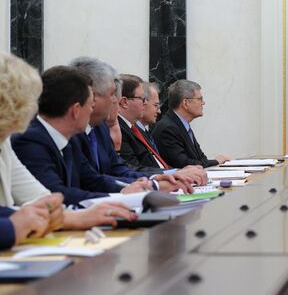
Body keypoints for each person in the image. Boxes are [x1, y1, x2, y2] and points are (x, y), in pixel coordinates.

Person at [0, 53, 135, 232]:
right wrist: (15, 226)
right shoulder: (29, 139)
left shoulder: (5, 142)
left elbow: (42, 198)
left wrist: (65, 215)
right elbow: (46, 202)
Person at [11, 66, 152, 206]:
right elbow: (57, 194)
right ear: (76, 110)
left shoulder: (70, 138)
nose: (92, 109)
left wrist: (126, 190)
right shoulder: (30, 141)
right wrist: (121, 197)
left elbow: (91, 179)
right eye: (91, 104)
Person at [68, 57, 195, 192]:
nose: (114, 100)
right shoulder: (73, 132)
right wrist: (154, 185)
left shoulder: (100, 128)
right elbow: (88, 183)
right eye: (112, 94)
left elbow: (116, 170)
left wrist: (156, 179)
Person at [117, 75, 207, 185]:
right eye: (142, 99)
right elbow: (131, 169)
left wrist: (178, 173)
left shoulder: (136, 129)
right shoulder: (119, 129)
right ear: (124, 102)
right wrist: (175, 173)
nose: (145, 104)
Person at [152, 79, 230, 168]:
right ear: (186, 103)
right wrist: (216, 161)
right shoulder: (168, 128)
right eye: (200, 99)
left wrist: (213, 162)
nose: (203, 103)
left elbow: (201, 159)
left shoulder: (182, 125)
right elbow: (183, 163)